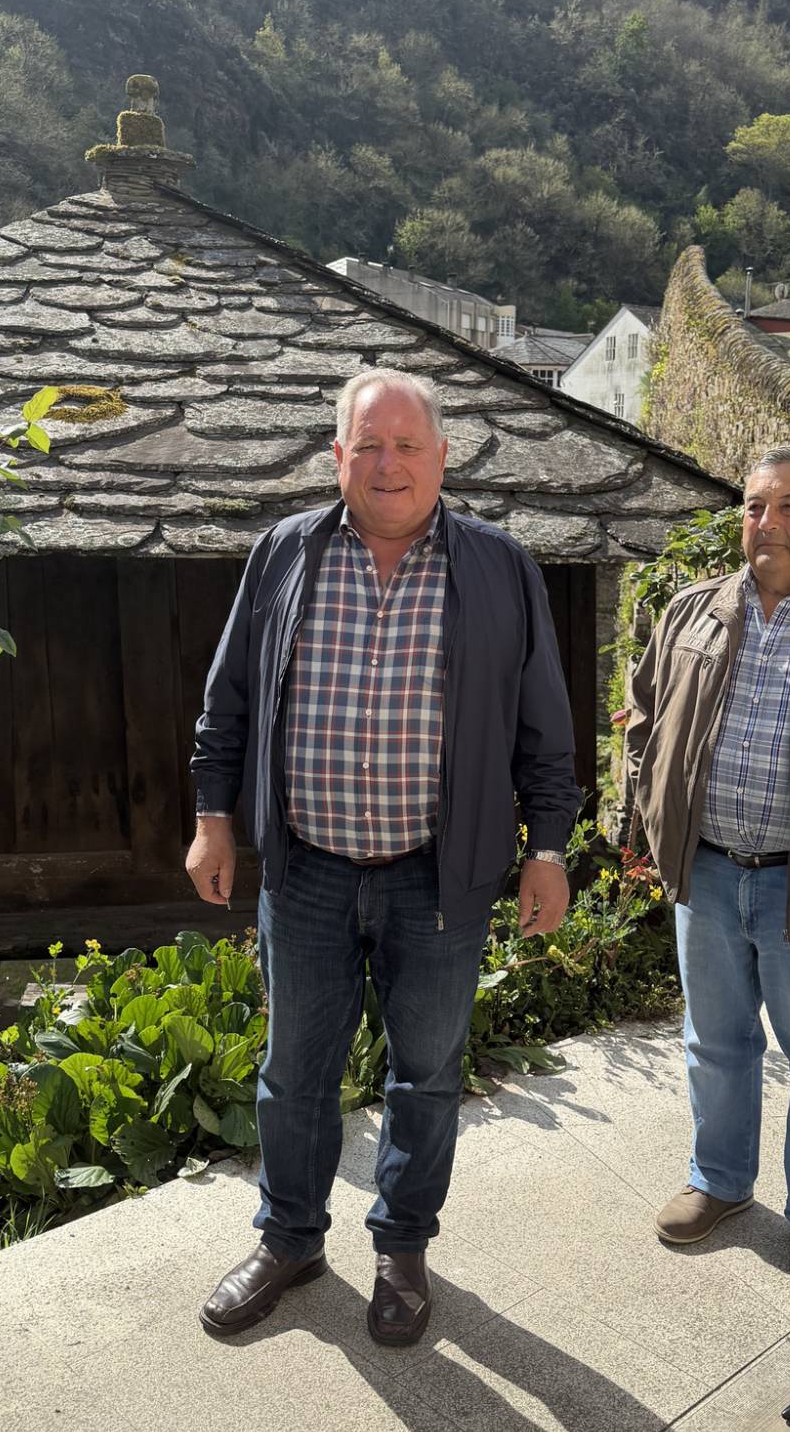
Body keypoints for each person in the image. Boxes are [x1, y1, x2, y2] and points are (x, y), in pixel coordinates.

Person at [186, 368, 580, 1346]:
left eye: (408, 445)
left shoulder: (499, 567)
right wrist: (212, 817)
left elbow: (544, 725)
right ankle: (289, 1240)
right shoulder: (285, 552)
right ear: (338, 457)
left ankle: (402, 1246)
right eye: (369, 445)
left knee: (427, 1076)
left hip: (438, 877)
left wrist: (548, 848)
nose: (388, 464)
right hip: (307, 870)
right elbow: (228, 699)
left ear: (442, 455)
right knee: (293, 1073)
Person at [624, 449, 790, 1292]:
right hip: (706, 872)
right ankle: (720, 1182)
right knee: (715, 1042)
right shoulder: (695, 610)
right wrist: (646, 813)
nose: (766, 523)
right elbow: (643, 715)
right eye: (754, 506)